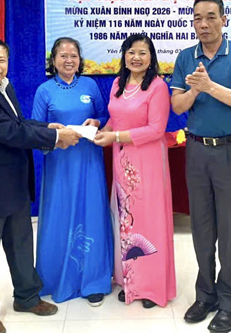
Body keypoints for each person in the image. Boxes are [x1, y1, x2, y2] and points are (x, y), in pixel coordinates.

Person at [0, 38, 81, 333]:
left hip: (13, 184)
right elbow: (11, 133)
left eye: (1, 60)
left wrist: (45, 127)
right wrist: (55, 138)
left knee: (21, 245)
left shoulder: (3, 86)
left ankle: (26, 297)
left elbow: (19, 122)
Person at [171, 0, 231, 333]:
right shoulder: (186, 57)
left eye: (211, 17)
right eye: (197, 18)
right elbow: (178, 106)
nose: (204, 24)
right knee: (202, 227)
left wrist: (210, 86)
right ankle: (206, 295)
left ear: (224, 19)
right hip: (196, 151)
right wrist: (195, 91)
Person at [94, 34, 176, 309]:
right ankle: (130, 280)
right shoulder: (118, 83)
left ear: (151, 58)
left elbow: (156, 129)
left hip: (148, 160)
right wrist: (101, 129)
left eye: (143, 52)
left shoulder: (157, 87)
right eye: (131, 52)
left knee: (149, 221)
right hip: (122, 160)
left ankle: (152, 286)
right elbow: (115, 119)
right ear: (124, 55)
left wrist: (115, 137)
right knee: (126, 220)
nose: (136, 57)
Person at [32, 37, 113, 306]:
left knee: (92, 213)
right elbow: (35, 129)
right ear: (53, 60)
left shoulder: (90, 85)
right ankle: (54, 278)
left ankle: (94, 281)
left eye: (74, 55)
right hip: (60, 163)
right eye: (63, 55)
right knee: (60, 214)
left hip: (89, 160)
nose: (69, 60)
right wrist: (51, 131)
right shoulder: (44, 90)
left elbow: (104, 116)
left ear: (80, 60)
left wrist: (97, 122)